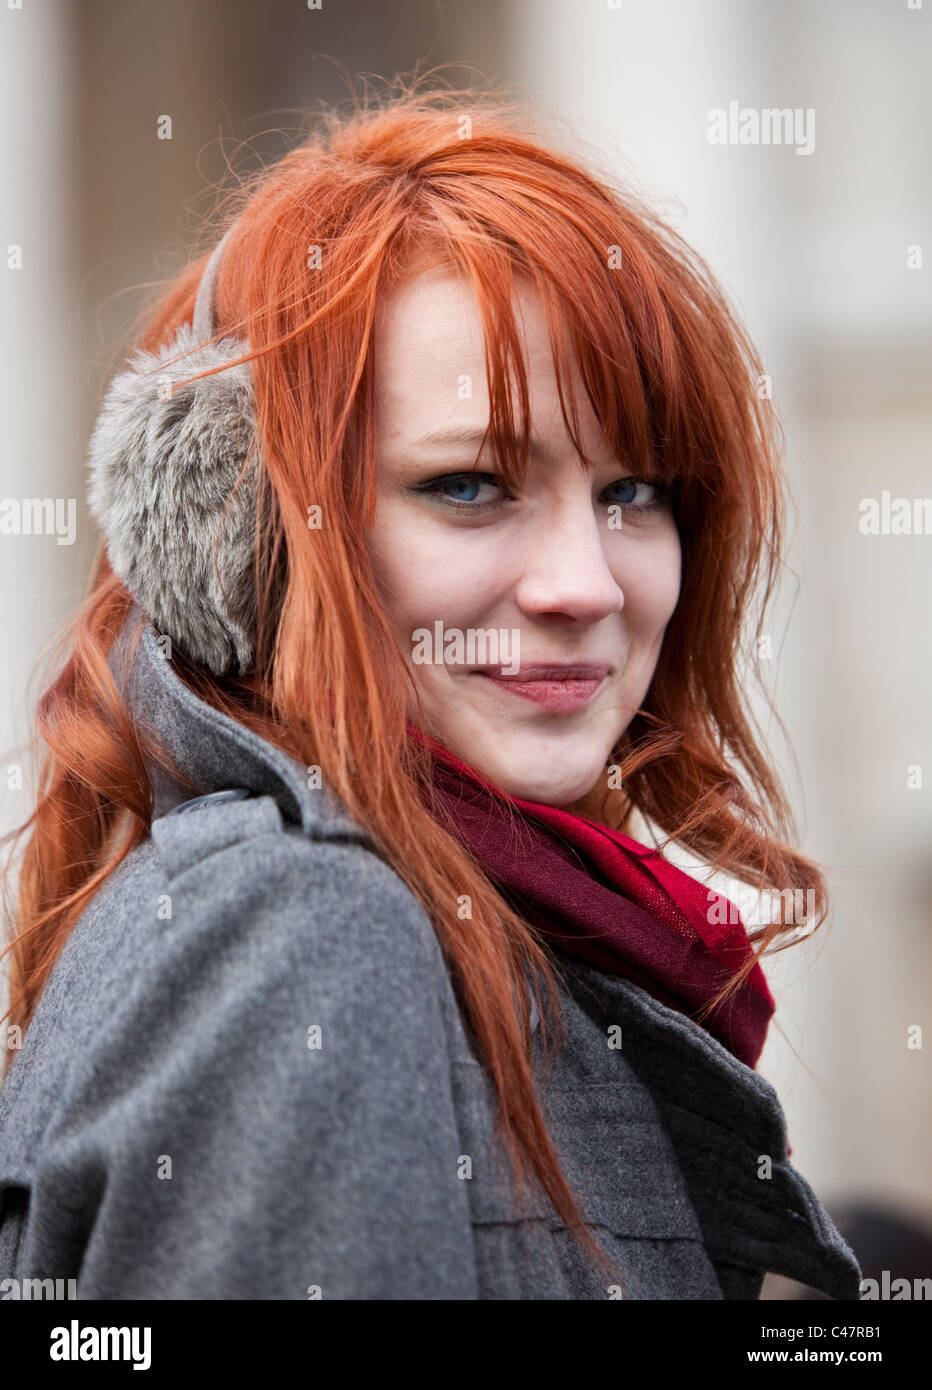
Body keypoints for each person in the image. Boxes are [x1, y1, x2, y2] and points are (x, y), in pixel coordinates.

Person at [0, 85, 862, 1300]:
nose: (582, 583)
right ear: (251, 536)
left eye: (635, 492)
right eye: (467, 485)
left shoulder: (490, 923)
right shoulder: (305, 929)